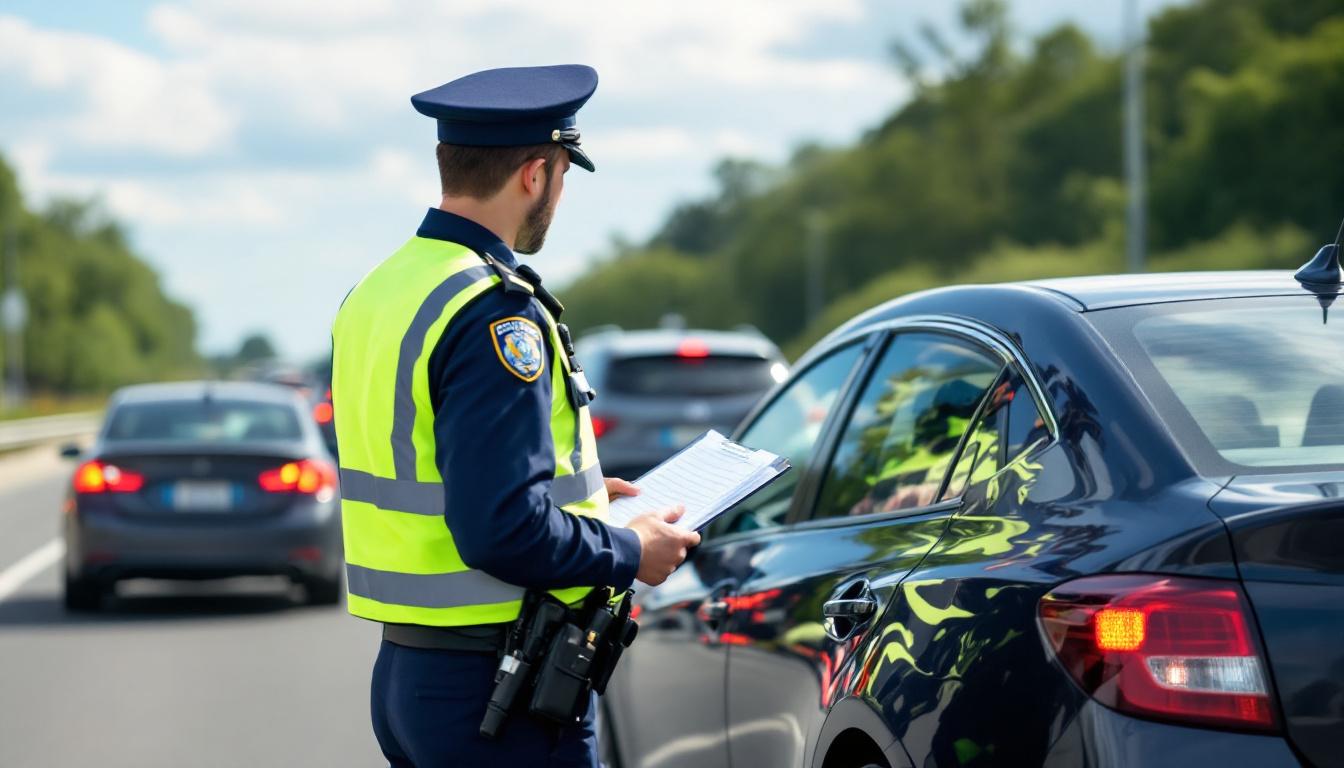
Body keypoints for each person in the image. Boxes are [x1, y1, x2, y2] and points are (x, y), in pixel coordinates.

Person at [330, 64, 700, 767]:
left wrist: (590, 501)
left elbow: (442, 470)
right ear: (536, 174)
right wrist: (632, 552)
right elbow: (501, 528)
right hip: (497, 690)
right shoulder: (492, 309)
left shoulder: (378, 291)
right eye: (563, 175)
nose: (558, 196)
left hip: (413, 675)